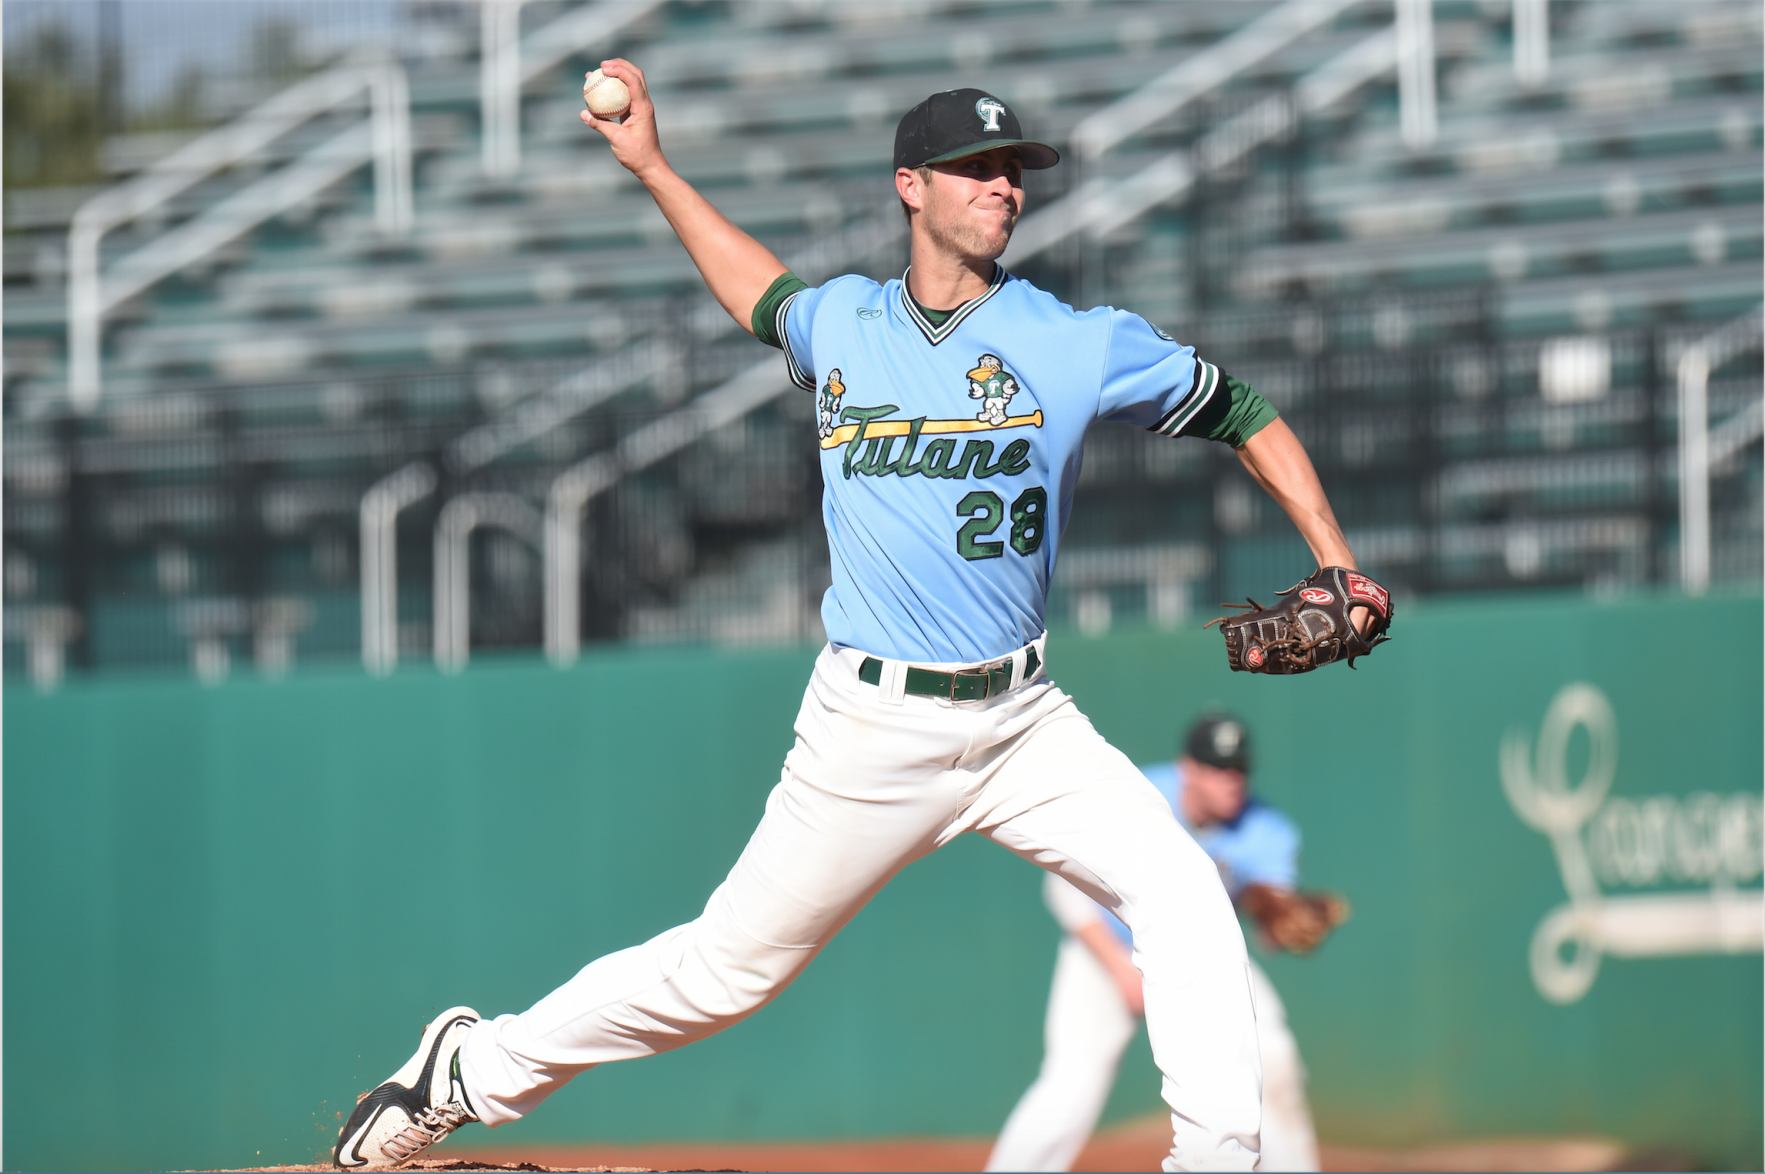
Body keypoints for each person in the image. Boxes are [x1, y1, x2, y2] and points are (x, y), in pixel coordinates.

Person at [334, 64, 1377, 1172]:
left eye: (1014, 171)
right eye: (976, 169)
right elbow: (757, 292)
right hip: (869, 726)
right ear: (909, 186)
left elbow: (1245, 412)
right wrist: (650, 166)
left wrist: (1335, 556)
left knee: (1179, 893)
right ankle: (470, 1069)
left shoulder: (1076, 340)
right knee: (724, 975)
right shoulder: (844, 324)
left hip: (1022, 720)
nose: (1004, 188)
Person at [988, 714, 1342, 1173]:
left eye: (1239, 769)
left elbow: (1267, 932)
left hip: (1202, 954)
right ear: (1187, 769)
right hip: (1105, 949)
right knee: (1071, 1085)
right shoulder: (1139, 796)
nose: (1232, 780)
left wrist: (1281, 925)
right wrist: (1120, 969)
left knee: (1273, 1055)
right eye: (1218, 767)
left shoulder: (1268, 832)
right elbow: (1062, 890)